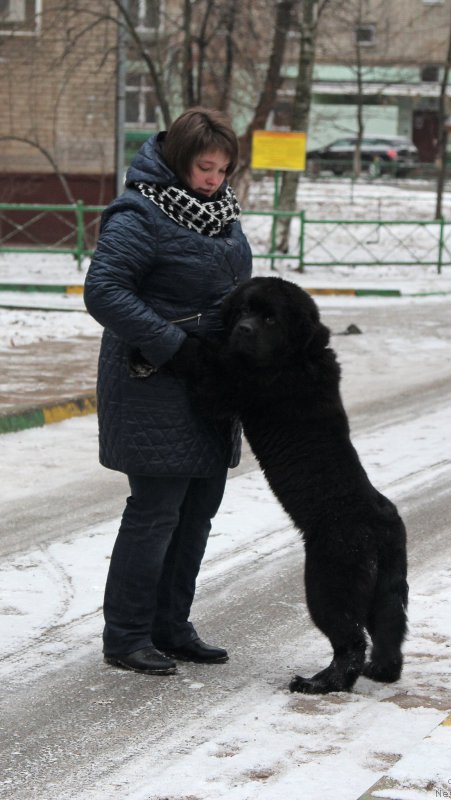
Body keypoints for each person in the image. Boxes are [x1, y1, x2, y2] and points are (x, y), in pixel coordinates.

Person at [84, 107, 252, 676]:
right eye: (205, 168)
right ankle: (127, 635)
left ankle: (171, 626)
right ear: (180, 160)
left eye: (223, 170)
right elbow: (103, 290)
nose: (214, 179)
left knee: (198, 510)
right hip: (152, 380)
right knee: (156, 511)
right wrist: (173, 346)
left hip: (210, 384)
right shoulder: (140, 212)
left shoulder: (221, 214)